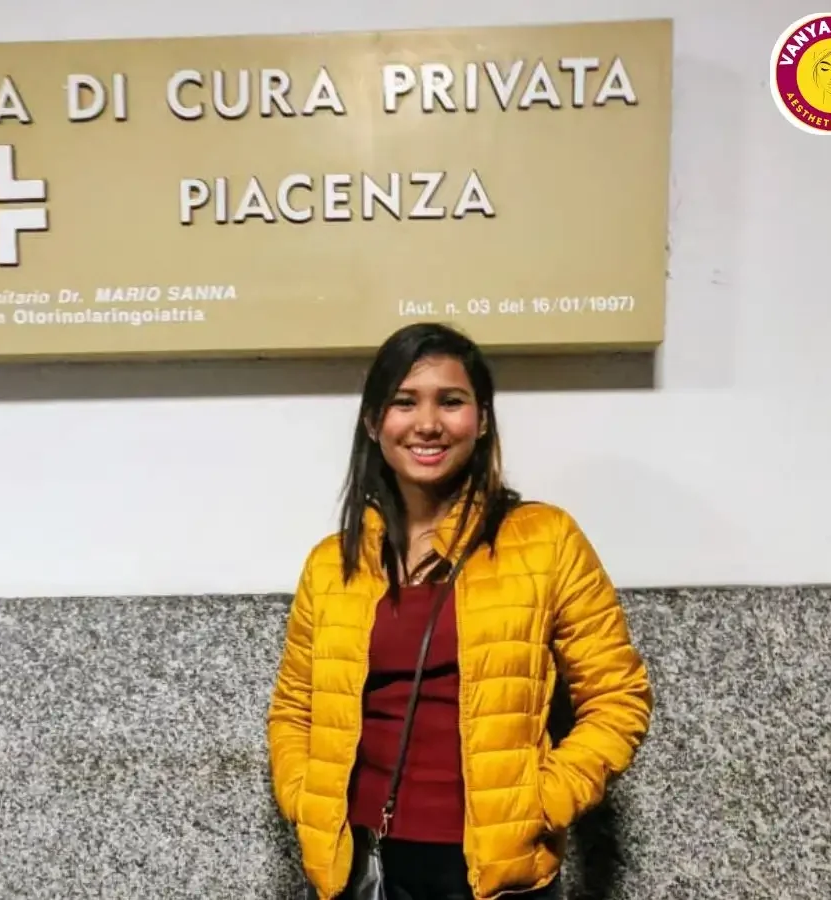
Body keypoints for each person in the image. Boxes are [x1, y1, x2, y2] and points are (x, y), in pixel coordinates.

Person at [267, 322, 653, 900]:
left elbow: (619, 698)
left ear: (483, 418)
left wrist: (542, 801)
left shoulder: (545, 540)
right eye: (404, 402)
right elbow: (294, 709)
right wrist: (307, 800)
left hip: (495, 870)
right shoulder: (333, 563)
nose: (427, 423)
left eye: (451, 401)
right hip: (361, 862)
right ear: (374, 423)